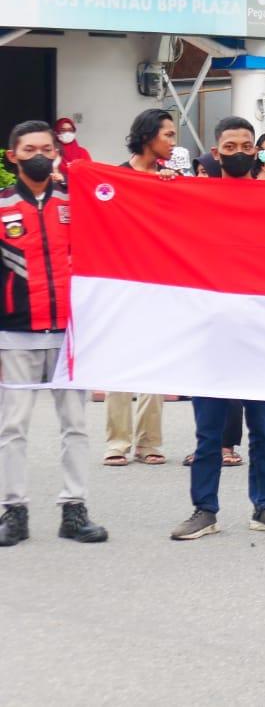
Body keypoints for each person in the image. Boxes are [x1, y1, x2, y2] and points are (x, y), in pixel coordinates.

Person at [171, 116, 265, 541]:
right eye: (230, 147)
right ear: (216, 153)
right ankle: (204, 510)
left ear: (258, 151)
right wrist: (158, 188)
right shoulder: (197, 199)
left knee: (263, 431)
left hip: (261, 333)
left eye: (247, 146)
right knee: (209, 432)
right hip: (211, 332)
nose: (239, 153)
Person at [0, 121, 108, 547]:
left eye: (46, 148)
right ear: (13, 156)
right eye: (30, 150)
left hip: (69, 334)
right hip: (16, 334)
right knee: (13, 427)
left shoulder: (75, 203)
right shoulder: (2, 206)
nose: (39, 156)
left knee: (76, 426)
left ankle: (74, 510)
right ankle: (14, 511)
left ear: (57, 154)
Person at [104, 108, 175, 468]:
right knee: (119, 362)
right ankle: (117, 442)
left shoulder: (172, 181)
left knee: (154, 363)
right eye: (168, 135)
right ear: (148, 136)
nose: (173, 142)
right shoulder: (114, 180)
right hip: (121, 284)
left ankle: (150, 442)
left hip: (159, 285)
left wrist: (173, 189)